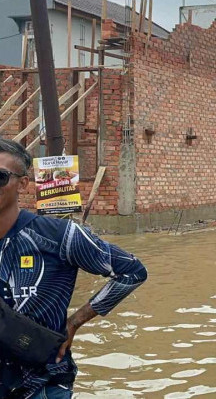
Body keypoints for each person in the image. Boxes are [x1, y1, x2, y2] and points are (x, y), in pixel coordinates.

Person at [0, 139, 147, 399]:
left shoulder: (59, 236)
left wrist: (74, 322)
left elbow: (132, 271)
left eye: (0, 177)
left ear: (22, 184)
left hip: (42, 383)